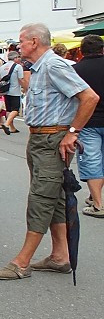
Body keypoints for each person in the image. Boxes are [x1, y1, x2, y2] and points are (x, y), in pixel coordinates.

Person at [0, 23, 99, 280]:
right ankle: (60, 256)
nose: (18, 47)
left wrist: (73, 132)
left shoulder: (53, 65)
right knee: (57, 197)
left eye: (21, 42)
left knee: (41, 198)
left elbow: (90, 97)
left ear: (35, 41)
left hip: (52, 139)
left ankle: (22, 262)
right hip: (42, 139)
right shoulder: (39, 68)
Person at [73, 34, 104, 217]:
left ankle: (98, 203)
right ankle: (94, 197)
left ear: (82, 51)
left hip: (88, 121)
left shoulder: (76, 70)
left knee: (92, 160)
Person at [0, 44, 25, 135]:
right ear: (15, 58)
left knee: (8, 109)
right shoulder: (18, 67)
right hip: (15, 90)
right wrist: (25, 88)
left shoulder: (2, 67)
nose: (19, 59)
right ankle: (6, 124)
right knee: (15, 110)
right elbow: (20, 79)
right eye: (18, 57)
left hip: (5, 91)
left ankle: (12, 127)